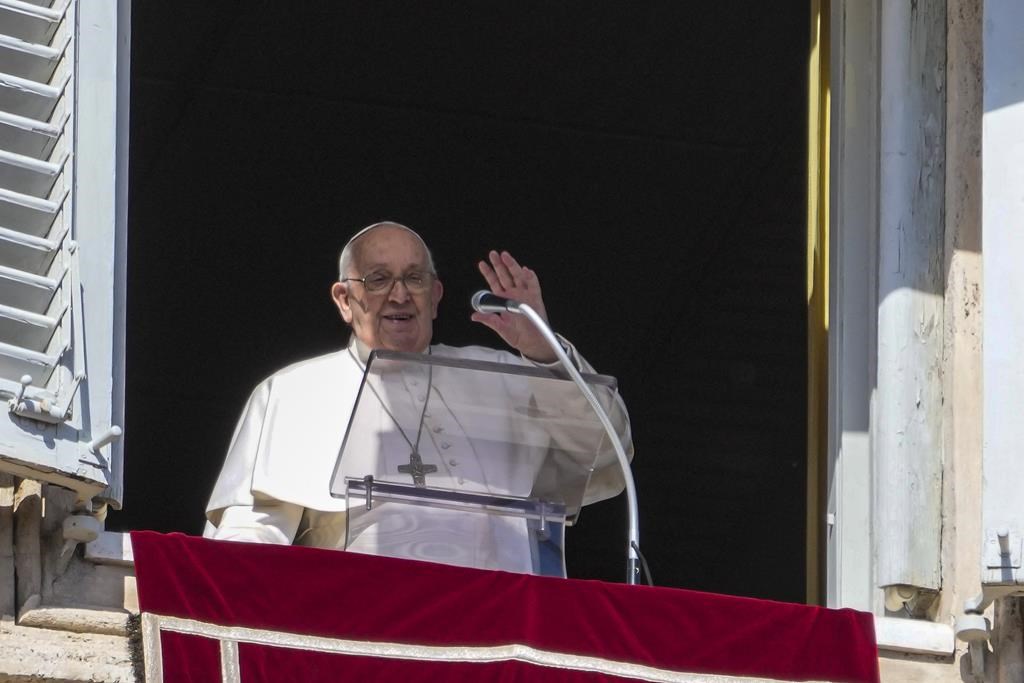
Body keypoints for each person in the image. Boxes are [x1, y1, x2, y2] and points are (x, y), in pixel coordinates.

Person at [203, 221, 632, 574]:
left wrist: (542, 350)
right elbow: (251, 532)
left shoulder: (504, 374)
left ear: (436, 296)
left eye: (414, 278)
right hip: (367, 634)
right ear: (344, 299)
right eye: (378, 279)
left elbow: (605, 448)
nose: (400, 294)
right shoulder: (294, 391)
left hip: (504, 632)